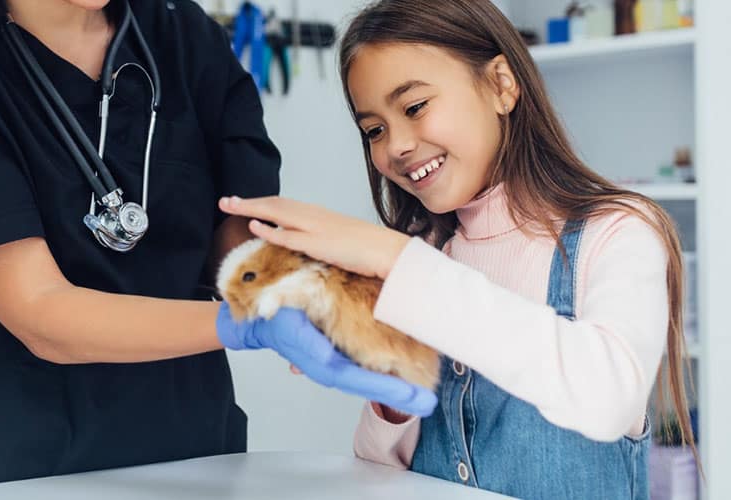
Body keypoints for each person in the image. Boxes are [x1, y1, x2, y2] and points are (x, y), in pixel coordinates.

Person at [0, 0, 435, 492]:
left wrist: (309, 292)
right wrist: (240, 326)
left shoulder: (185, 37)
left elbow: (241, 243)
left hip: (193, 455)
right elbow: (39, 311)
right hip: (16, 461)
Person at [218, 0, 697, 498]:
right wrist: (393, 390)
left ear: (501, 85)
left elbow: (609, 398)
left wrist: (395, 259)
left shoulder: (618, 232)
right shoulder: (429, 254)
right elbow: (380, 471)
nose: (395, 146)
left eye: (415, 107)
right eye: (374, 130)